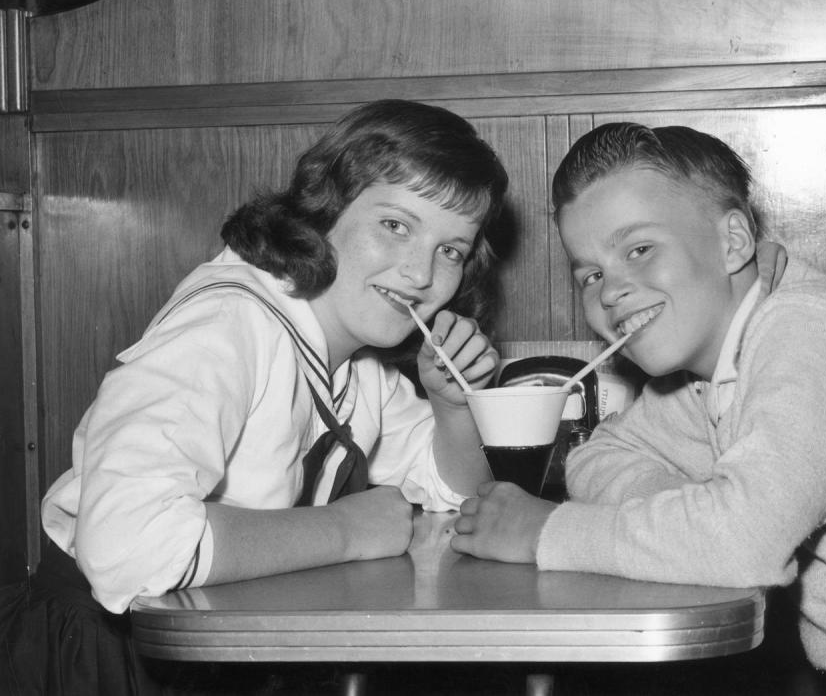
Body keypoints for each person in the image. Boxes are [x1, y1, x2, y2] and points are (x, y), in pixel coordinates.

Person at [1, 99, 508, 695]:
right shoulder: (225, 324)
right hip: (100, 656)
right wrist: (345, 530)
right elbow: (129, 548)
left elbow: (456, 493)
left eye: (451, 249)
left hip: (216, 653)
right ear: (323, 212)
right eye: (394, 225)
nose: (422, 274)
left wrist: (452, 409)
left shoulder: (355, 355)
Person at [451, 122, 826, 695]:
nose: (610, 291)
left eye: (639, 250)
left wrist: (546, 534)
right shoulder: (705, 370)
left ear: (733, 241)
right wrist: (692, 511)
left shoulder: (807, 332)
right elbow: (599, 457)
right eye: (591, 273)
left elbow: (745, 544)